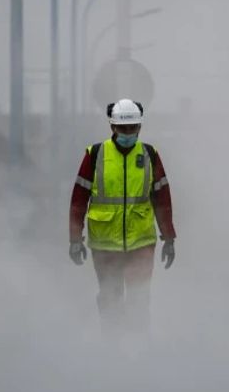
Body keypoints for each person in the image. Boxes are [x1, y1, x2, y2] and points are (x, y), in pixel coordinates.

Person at [69, 98, 177, 338]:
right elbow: (78, 199)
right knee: (110, 300)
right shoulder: (95, 155)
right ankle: (112, 352)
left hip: (141, 244)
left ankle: (137, 354)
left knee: (139, 301)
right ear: (112, 127)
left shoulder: (150, 155)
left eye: (133, 128)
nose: (128, 132)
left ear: (139, 127)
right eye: (123, 128)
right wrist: (75, 239)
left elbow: (162, 198)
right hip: (104, 245)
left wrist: (168, 237)